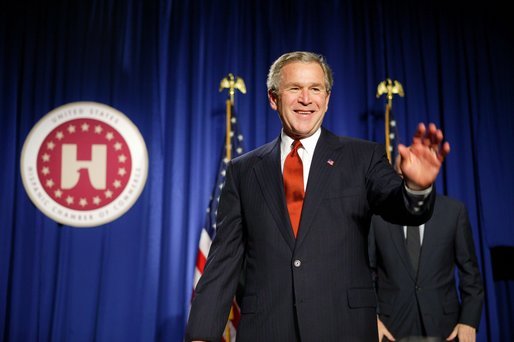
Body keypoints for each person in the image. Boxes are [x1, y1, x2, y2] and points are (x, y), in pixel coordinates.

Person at [185, 51, 451, 341]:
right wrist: (201, 336)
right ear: (274, 98)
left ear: (327, 99)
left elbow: (399, 207)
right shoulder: (243, 171)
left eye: (315, 89)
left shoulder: (363, 157)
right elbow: (223, 262)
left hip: (343, 328)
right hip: (267, 330)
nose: (306, 99)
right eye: (294, 89)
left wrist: (416, 188)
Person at [369, 157, 484, 342]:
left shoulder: (454, 212)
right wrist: (371, 319)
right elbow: (367, 272)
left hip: (445, 328)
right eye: (403, 175)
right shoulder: (377, 217)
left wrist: (468, 321)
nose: (410, 182)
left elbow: (471, 274)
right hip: (391, 330)